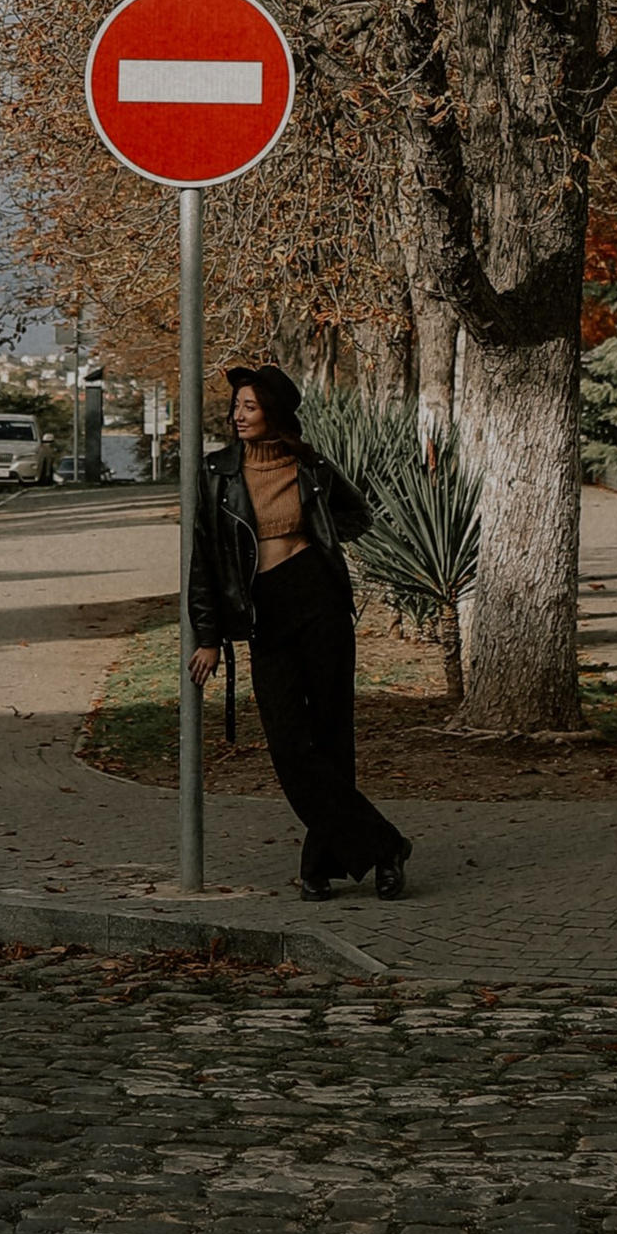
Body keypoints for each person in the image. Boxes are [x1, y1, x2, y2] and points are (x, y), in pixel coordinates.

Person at [188, 362, 413, 903]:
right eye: (236, 406)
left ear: (276, 413)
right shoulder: (216, 473)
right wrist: (208, 635)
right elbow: (205, 560)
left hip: (318, 600)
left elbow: (357, 515)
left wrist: (318, 546)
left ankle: (319, 866)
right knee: (290, 747)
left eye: (250, 405)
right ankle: (385, 846)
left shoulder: (310, 466)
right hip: (264, 612)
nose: (238, 415)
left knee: (333, 736)